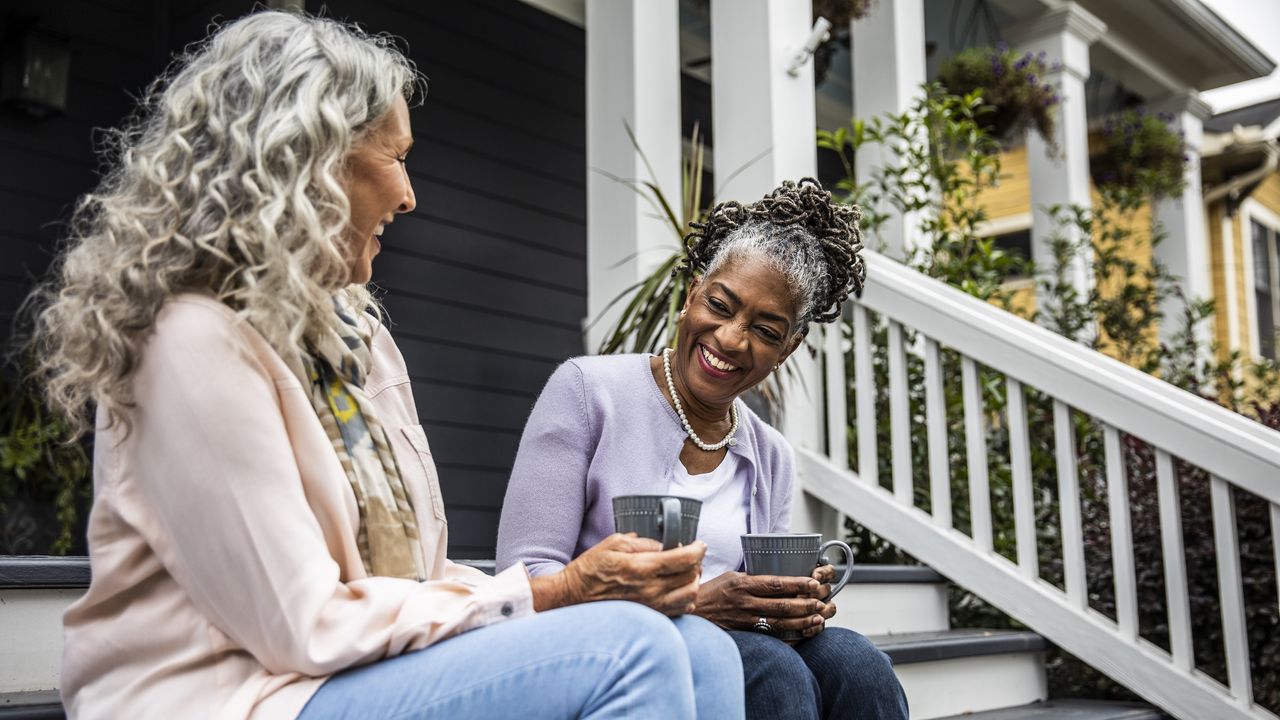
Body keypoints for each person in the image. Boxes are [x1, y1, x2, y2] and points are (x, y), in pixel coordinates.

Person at [29, 11, 744, 720]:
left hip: (356, 675)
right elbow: (301, 623)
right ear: (301, 162)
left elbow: (419, 579)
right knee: (630, 649)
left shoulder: (353, 336)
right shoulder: (192, 340)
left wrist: (559, 595)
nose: (408, 196)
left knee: (700, 648)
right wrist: (557, 592)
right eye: (394, 156)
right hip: (230, 697)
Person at [496, 179, 909, 720]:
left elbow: (755, 608)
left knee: (857, 662)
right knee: (768, 667)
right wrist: (695, 604)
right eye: (720, 304)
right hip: (608, 645)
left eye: (765, 329)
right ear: (693, 292)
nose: (732, 339)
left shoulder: (771, 454)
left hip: (741, 645)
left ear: (790, 347)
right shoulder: (587, 392)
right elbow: (526, 580)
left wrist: (787, 605)